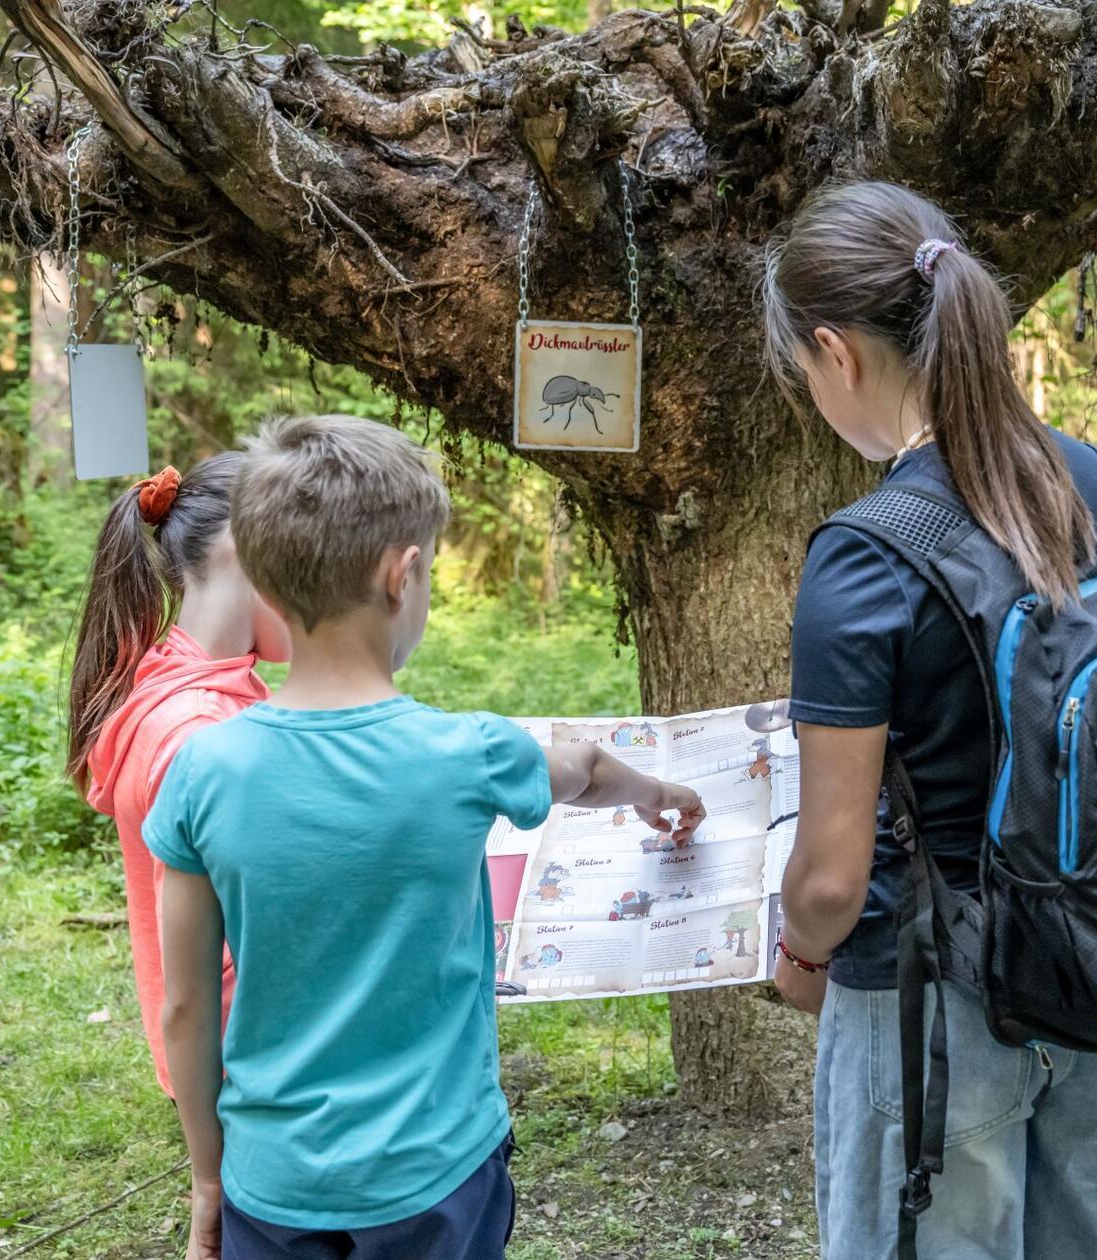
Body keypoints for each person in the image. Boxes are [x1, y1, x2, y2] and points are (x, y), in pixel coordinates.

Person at [142, 415, 706, 1260]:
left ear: (262, 577)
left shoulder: (201, 768)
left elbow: (184, 1006)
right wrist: (654, 792)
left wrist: (207, 1183)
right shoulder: (469, 752)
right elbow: (583, 767)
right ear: (402, 576)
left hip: (272, 1182)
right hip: (437, 1176)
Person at [761, 182, 1097, 1258]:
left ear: (837, 354)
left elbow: (834, 878)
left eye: (803, 370)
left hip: (932, 1009)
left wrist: (796, 954)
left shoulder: (866, 548)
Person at [68, 453, 291, 1098]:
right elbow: (233, 931)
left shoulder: (180, 673)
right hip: (247, 1065)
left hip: (231, 1054)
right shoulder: (198, 729)